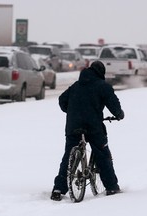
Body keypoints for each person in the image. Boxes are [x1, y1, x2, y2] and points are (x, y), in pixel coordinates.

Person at [51, 61, 125, 201]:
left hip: (73, 125)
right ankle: (111, 187)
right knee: (103, 154)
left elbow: (62, 100)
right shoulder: (103, 86)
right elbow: (113, 105)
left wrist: (72, 111)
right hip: (94, 126)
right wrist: (119, 114)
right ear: (101, 73)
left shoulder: (76, 86)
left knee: (68, 156)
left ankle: (58, 189)